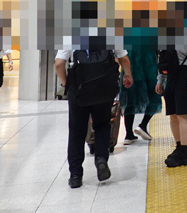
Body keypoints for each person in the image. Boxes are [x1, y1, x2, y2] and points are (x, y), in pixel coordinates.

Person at [54, 49, 133, 188]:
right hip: (103, 90)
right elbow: (124, 58)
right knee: (102, 125)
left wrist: (66, 84)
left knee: (76, 132)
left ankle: (75, 175)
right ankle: (101, 158)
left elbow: (59, 64)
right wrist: (128, 75)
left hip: (79, 92)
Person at [156, 48, 187, 167]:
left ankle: (184, 152)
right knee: (173, 114)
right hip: (171, 76)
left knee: (183, 115)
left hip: (185, 75)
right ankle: (179, 147)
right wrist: (160, 80)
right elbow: (163, 57)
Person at [120, 47, 162, 144]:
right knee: (155, 95)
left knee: (130, 98)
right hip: (149, 64)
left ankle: (128, 135)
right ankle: (143, 125)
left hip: (129, 65)